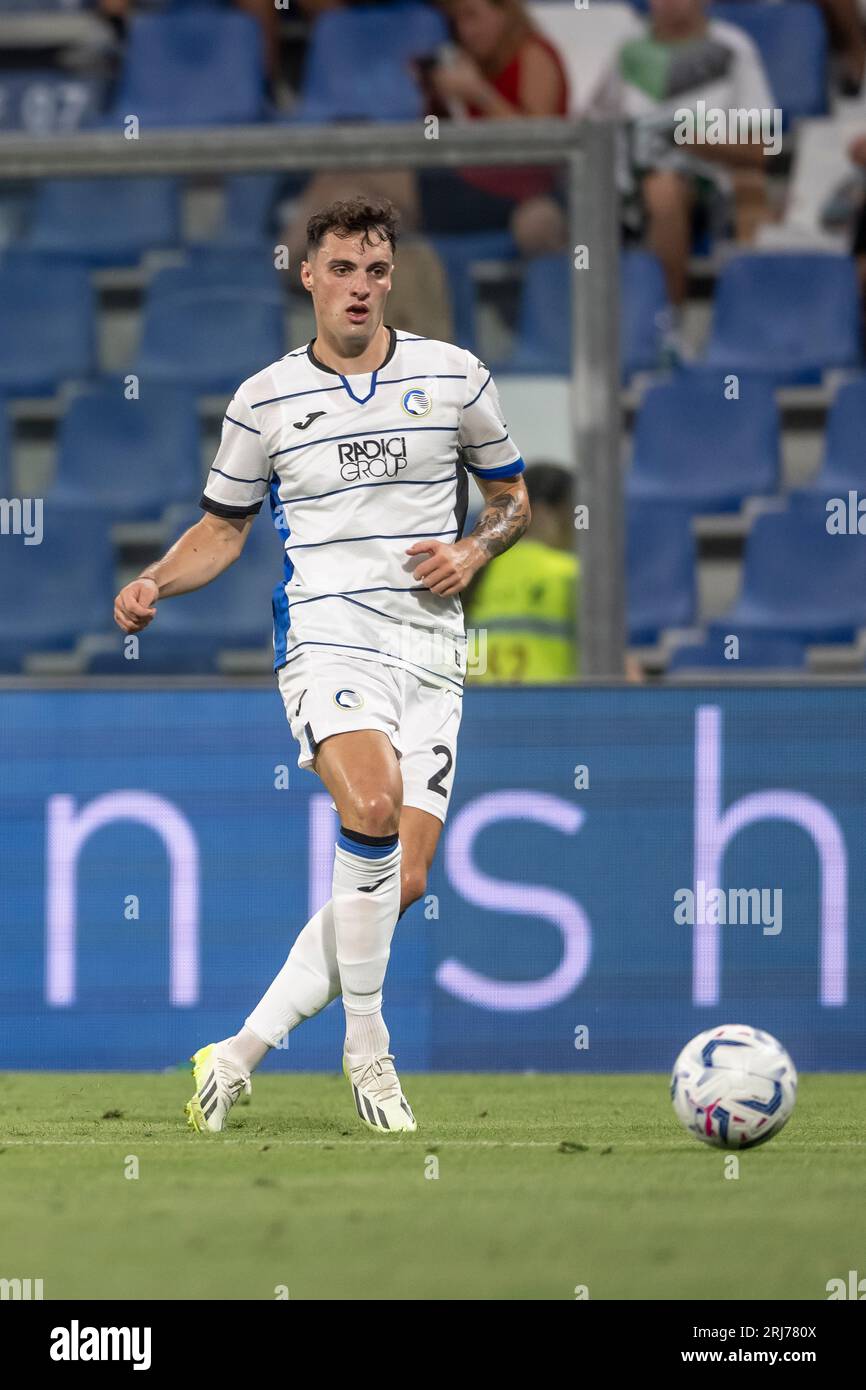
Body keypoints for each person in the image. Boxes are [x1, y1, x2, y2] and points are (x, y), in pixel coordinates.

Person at [113, 196, 529, 1135]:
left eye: (376, 271)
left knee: (402, 880)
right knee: (371, 808)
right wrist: (154, 581)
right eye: (342, 269)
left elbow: (512, 502)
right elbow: (223, 529)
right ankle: (370, 1053)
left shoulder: (455, 378)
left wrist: (474, 550)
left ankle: (238, 1054)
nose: (359, 288)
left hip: (431, 644)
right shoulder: (263, 400)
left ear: (391, 278)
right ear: (308, 275)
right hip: (328, 631)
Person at [593, 0, 775, 323]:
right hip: (624, 186)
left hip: (708, 189)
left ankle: (666, 326)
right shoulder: (626, 47)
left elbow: (759, 149)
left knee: (663, 190)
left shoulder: (733, 47)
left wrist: (689, 139)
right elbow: (595, 125)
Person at [465, 462, 579, 683]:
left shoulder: (474, 571)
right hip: (552, 708)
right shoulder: (568, 573)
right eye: (572, 515)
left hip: (478, 706)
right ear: (545, 513)